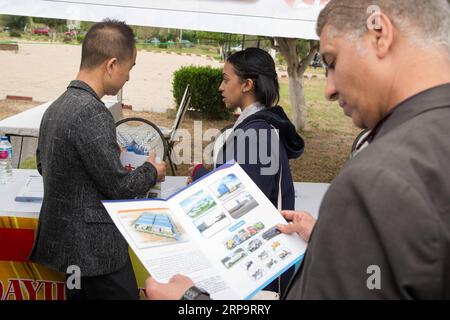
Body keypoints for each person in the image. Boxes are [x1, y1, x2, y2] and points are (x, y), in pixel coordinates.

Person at [145, 0, 450, 300]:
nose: (329, 89)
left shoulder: (379, 176)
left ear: (380, 33)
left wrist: (191, 302)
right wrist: (326, 239)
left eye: (331, 62)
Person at [29, 19, 166, 300]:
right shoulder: (92, 112)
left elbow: (46, 165)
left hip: (71, 251)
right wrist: (152, 170)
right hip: (96, 255)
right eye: (130, 68)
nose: (128, 77)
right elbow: (120, 188)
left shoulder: (56, 106)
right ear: (112, 64)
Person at [189, 47, 305, 298]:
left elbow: (239, 200)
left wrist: (199, 176)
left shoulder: (258, 133)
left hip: (259, 268)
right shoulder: (259, 127)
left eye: (226, 79)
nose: (220, 86)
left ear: (247, 85)